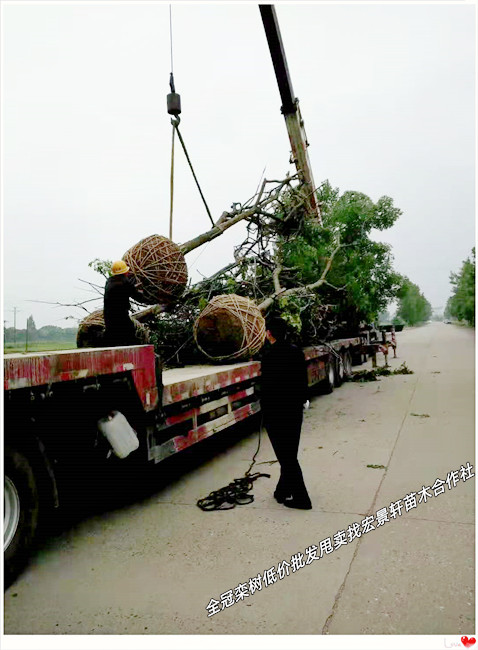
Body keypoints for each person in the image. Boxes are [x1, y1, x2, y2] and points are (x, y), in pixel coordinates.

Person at [260, 316, 312, 510]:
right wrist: (303, 401)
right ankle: (282, 490)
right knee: (289, 453)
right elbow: (303, 380)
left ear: (269, 334)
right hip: (294, 412)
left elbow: (266, 388)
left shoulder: (269, 356)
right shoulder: (296, 352)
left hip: (277, 414)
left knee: (287, 457)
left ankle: (302, 498)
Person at [103, 260, 145, 347]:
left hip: (108, 317)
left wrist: (132, 287)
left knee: (111, 340)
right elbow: (138, 296)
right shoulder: (125, 282)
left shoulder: (109, 281)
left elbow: (124, 290)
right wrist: (143, 291)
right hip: (121, 317)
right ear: (125, 272)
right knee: (129, 335)